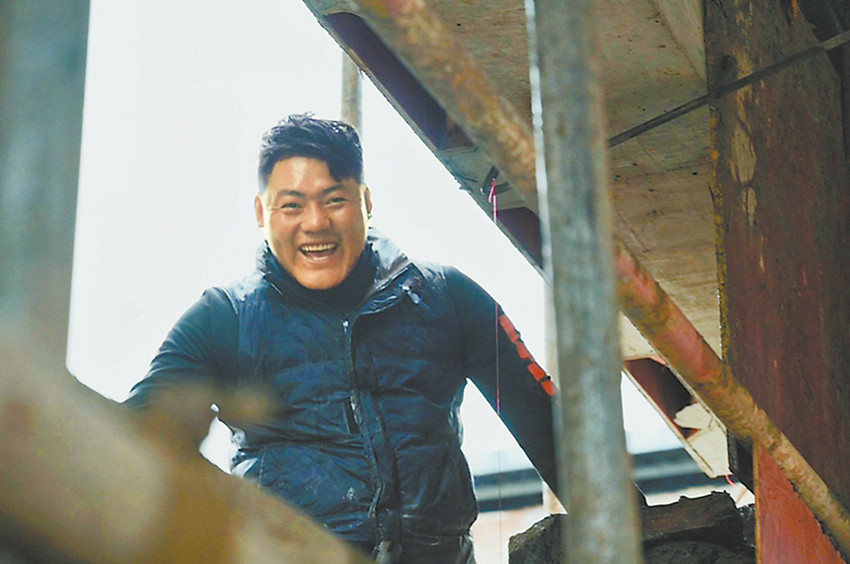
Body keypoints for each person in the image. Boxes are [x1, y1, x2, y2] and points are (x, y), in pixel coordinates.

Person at [126, 114, 558, 564]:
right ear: (260, 213)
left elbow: (553, 430)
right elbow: (135, 442)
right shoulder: (223, 318)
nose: (315, 223)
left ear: (366, 201)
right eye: (291, 206)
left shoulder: (447, 297)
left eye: (334, 200)